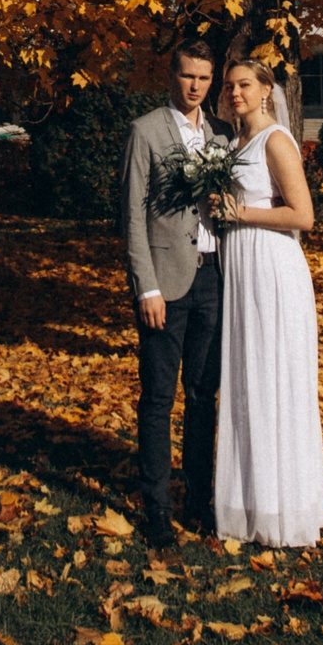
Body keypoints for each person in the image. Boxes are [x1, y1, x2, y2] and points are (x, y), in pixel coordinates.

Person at [209, 57, 323, 547]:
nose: (235, 93)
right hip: (240, 269)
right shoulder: (233, 143)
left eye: (244, 85)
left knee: (273, 378)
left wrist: (241, 212)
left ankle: (284, 508)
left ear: (265, 90)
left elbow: (304, 216)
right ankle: (246, 502)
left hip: (271, 270)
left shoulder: (275, 141)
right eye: (230, 85)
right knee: (247, 378)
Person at [121, 45, 224, 547]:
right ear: (171, 75)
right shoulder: (146, 131)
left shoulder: (221, 134)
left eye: (205, 77)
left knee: (204, 397)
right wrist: (148, 286)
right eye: (188, 75)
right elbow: (132, 217)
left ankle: (200, 500)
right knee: (159, 400)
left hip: (214, 279)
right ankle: (157, 507)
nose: (196, 86)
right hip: (166, 283)